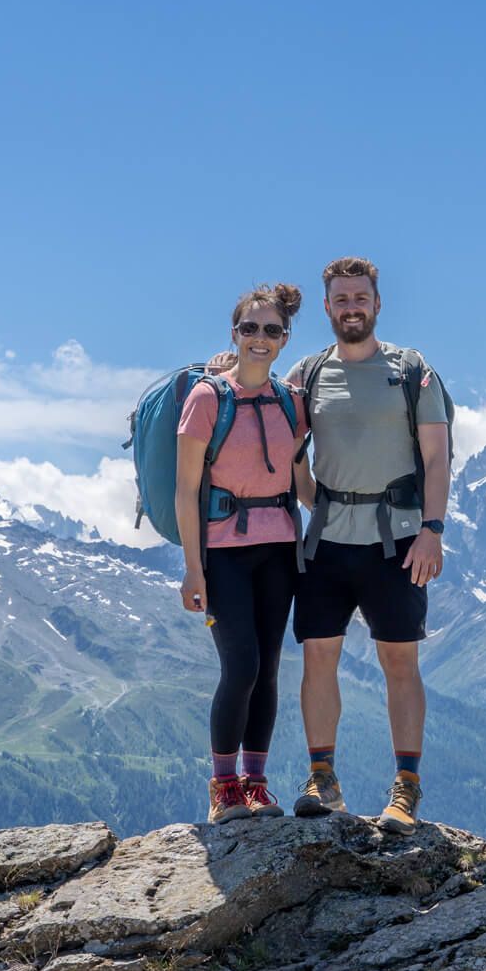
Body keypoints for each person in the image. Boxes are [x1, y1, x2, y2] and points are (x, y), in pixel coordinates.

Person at [288, 256, 450, 835]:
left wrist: (432, 529)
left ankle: (405, 788)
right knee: (318, 658)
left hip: (399, 541)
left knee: (399, 661)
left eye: (361, 297)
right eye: (340, 299)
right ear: (327, 307)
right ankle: (322, 779)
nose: (351, 307)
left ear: (377, 304)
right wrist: (314, 500)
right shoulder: (307, 375)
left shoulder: (410, 370)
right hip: (327, 541)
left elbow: (436, 456)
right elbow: (280, 442)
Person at [175, 284, 307, 825]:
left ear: (284, 339)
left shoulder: (290, 401)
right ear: (234, 334)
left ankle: (255, 784)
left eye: (271, 330)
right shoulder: (207, 398)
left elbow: (303, 484)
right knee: (242, 666)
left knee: (269, 669)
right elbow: (186, 489)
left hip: (279, 550)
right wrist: (191, 566)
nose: (259, 338)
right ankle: (223, 787)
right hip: (223, 552)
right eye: (249, 328)